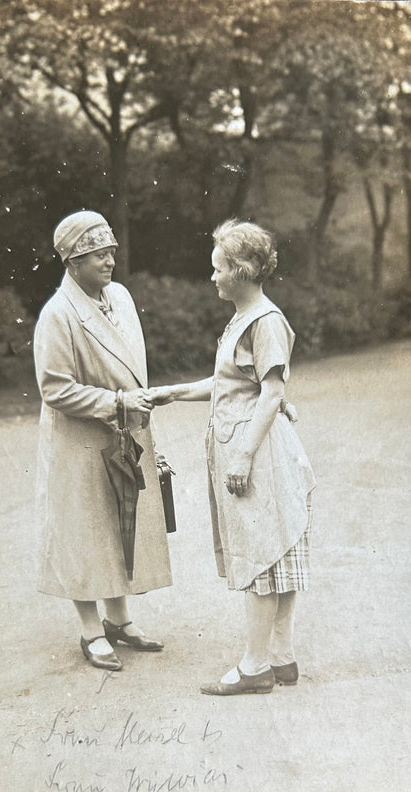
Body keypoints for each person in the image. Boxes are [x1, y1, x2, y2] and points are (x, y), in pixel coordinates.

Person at [151, 219, 315, 695]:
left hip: (259, 454)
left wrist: (242, 457)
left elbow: (271, 393)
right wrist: (173, 392)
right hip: (248, 447)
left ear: (241, 271)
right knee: (272, 555)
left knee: (263, 556)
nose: (213, 277)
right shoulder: (244, 319)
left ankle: (254, 666)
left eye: (218, 268)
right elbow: (231, 383)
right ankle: (280, 658)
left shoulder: (265, 321)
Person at [34, 210, 172, 672]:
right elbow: (54, 388)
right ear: (73, 261)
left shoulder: (122, 298)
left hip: (125, 432)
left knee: (121, 523)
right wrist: (118, 403)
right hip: (81, 439)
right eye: (97, 254)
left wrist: (136, 412)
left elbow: (134, 368)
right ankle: (91, 630)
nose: (109, 260)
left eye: (110, 250)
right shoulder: (58, 314)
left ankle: (119, 620)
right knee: (84, 529)